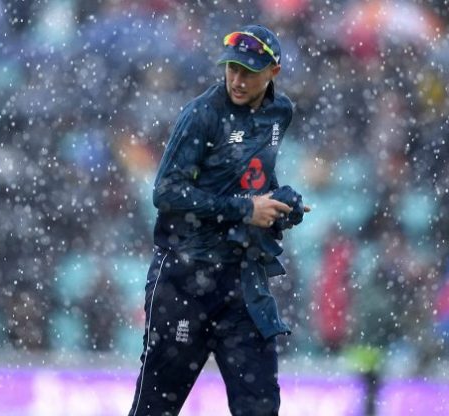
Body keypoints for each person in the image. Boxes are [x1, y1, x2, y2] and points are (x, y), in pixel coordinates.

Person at [128, 24, 309, 416]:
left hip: (242, 282)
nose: (237, 80)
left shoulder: (282, 113)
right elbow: (167, 193)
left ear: (273, 73)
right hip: (184, 281)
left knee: (260, 408)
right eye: (231, 69)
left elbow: (254, 177)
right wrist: (246, 210)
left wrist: (280, 204)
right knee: (155, 409)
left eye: (248, 71)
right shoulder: (202, 115)